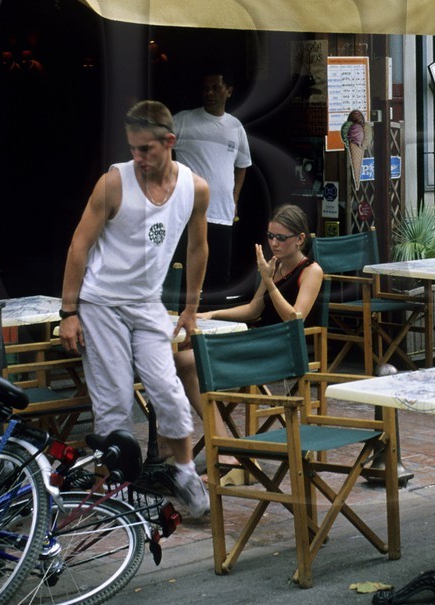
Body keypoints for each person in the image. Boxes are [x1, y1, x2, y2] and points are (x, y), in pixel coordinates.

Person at [59, 100, 210, 519]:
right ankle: (115, 485)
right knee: (114, 399)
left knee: (168, 390)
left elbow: (198, 247)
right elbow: (79, 244)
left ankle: (184, 472)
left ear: (169, 141)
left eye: (146, 149)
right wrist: (68, 312)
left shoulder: (195, 188)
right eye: (133, 149)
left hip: (147, 303)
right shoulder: (114, 183)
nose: (138, 157)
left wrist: (191, 307)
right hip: (100, 303)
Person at [170, 71, 252, 305]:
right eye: (206, 88)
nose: (209, 93)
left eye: (216, 88)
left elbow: (242, 165)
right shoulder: (183, 120)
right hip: (187, 212)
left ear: (229, 91)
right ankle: (182, 322)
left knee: (218, 278)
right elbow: (156, 147)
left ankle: (214, 324)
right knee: (184, 274)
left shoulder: (235, 127)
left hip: (222, 213)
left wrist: (235, 198)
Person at [200, 205, 325, 329]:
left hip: (285, 337)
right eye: (270, 236)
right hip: (261, 332)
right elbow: (253, 310)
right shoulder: (274, 265)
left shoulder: (311, 271)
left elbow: (295, 320)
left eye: (281, 238)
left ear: (300, 239)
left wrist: (269, 282)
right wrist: (213, 314)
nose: (274, 243)